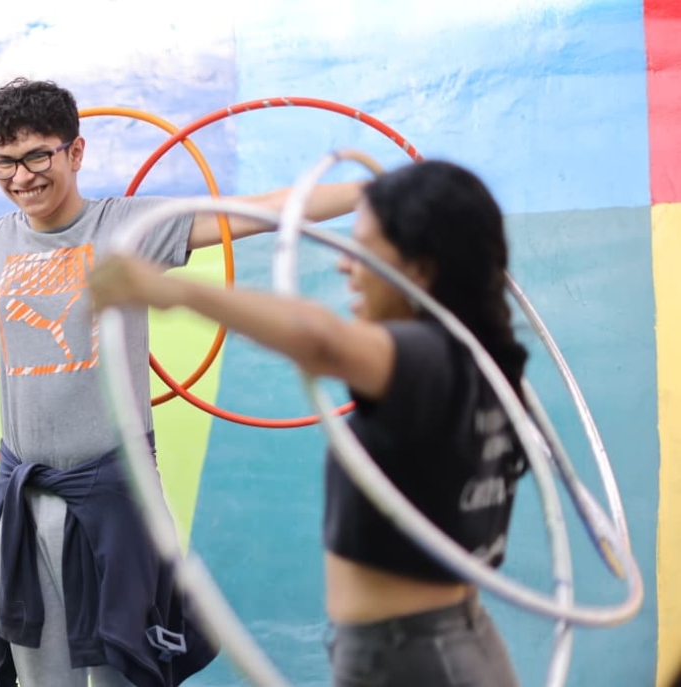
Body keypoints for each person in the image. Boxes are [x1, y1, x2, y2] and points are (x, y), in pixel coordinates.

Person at [0, 76, 366, 687]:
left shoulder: (128, 229)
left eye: (37, 156)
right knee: (39, 670)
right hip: (27, 497)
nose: (21, 176)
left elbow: (259, 210)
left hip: (115, 493)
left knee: (124, 667)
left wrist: (373, 192)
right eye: (5, 161)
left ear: (75, 152)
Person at [89, 158, 527, 687]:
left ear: (419, 269)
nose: (344, 266)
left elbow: (322, 341)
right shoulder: (483, 362)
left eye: (362, 251)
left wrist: (176, 292)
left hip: (413, 659)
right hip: (449, 644)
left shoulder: (430, 358)